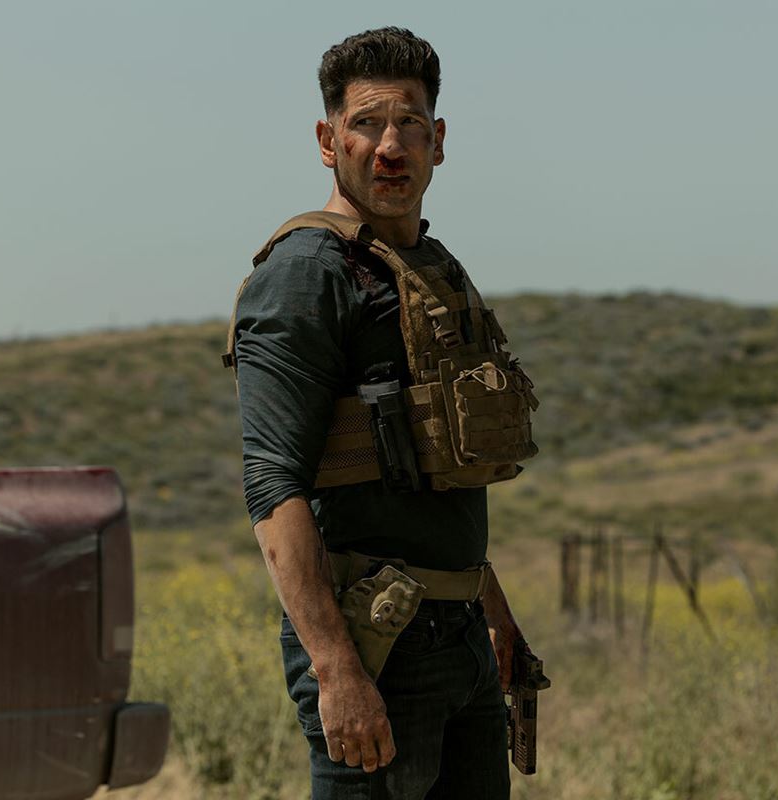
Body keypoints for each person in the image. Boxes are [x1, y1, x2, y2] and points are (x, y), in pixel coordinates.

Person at [225, 27, 541, 799]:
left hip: (458, 637)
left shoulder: (430, 267)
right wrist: (336, 669)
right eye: (366, 123)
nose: (389, 146)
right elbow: (271, 485)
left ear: (439, 141)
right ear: (327, 141)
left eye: (409, 124)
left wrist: (489, 604)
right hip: (375, 642)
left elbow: (435, 469)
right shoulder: (305, 275)